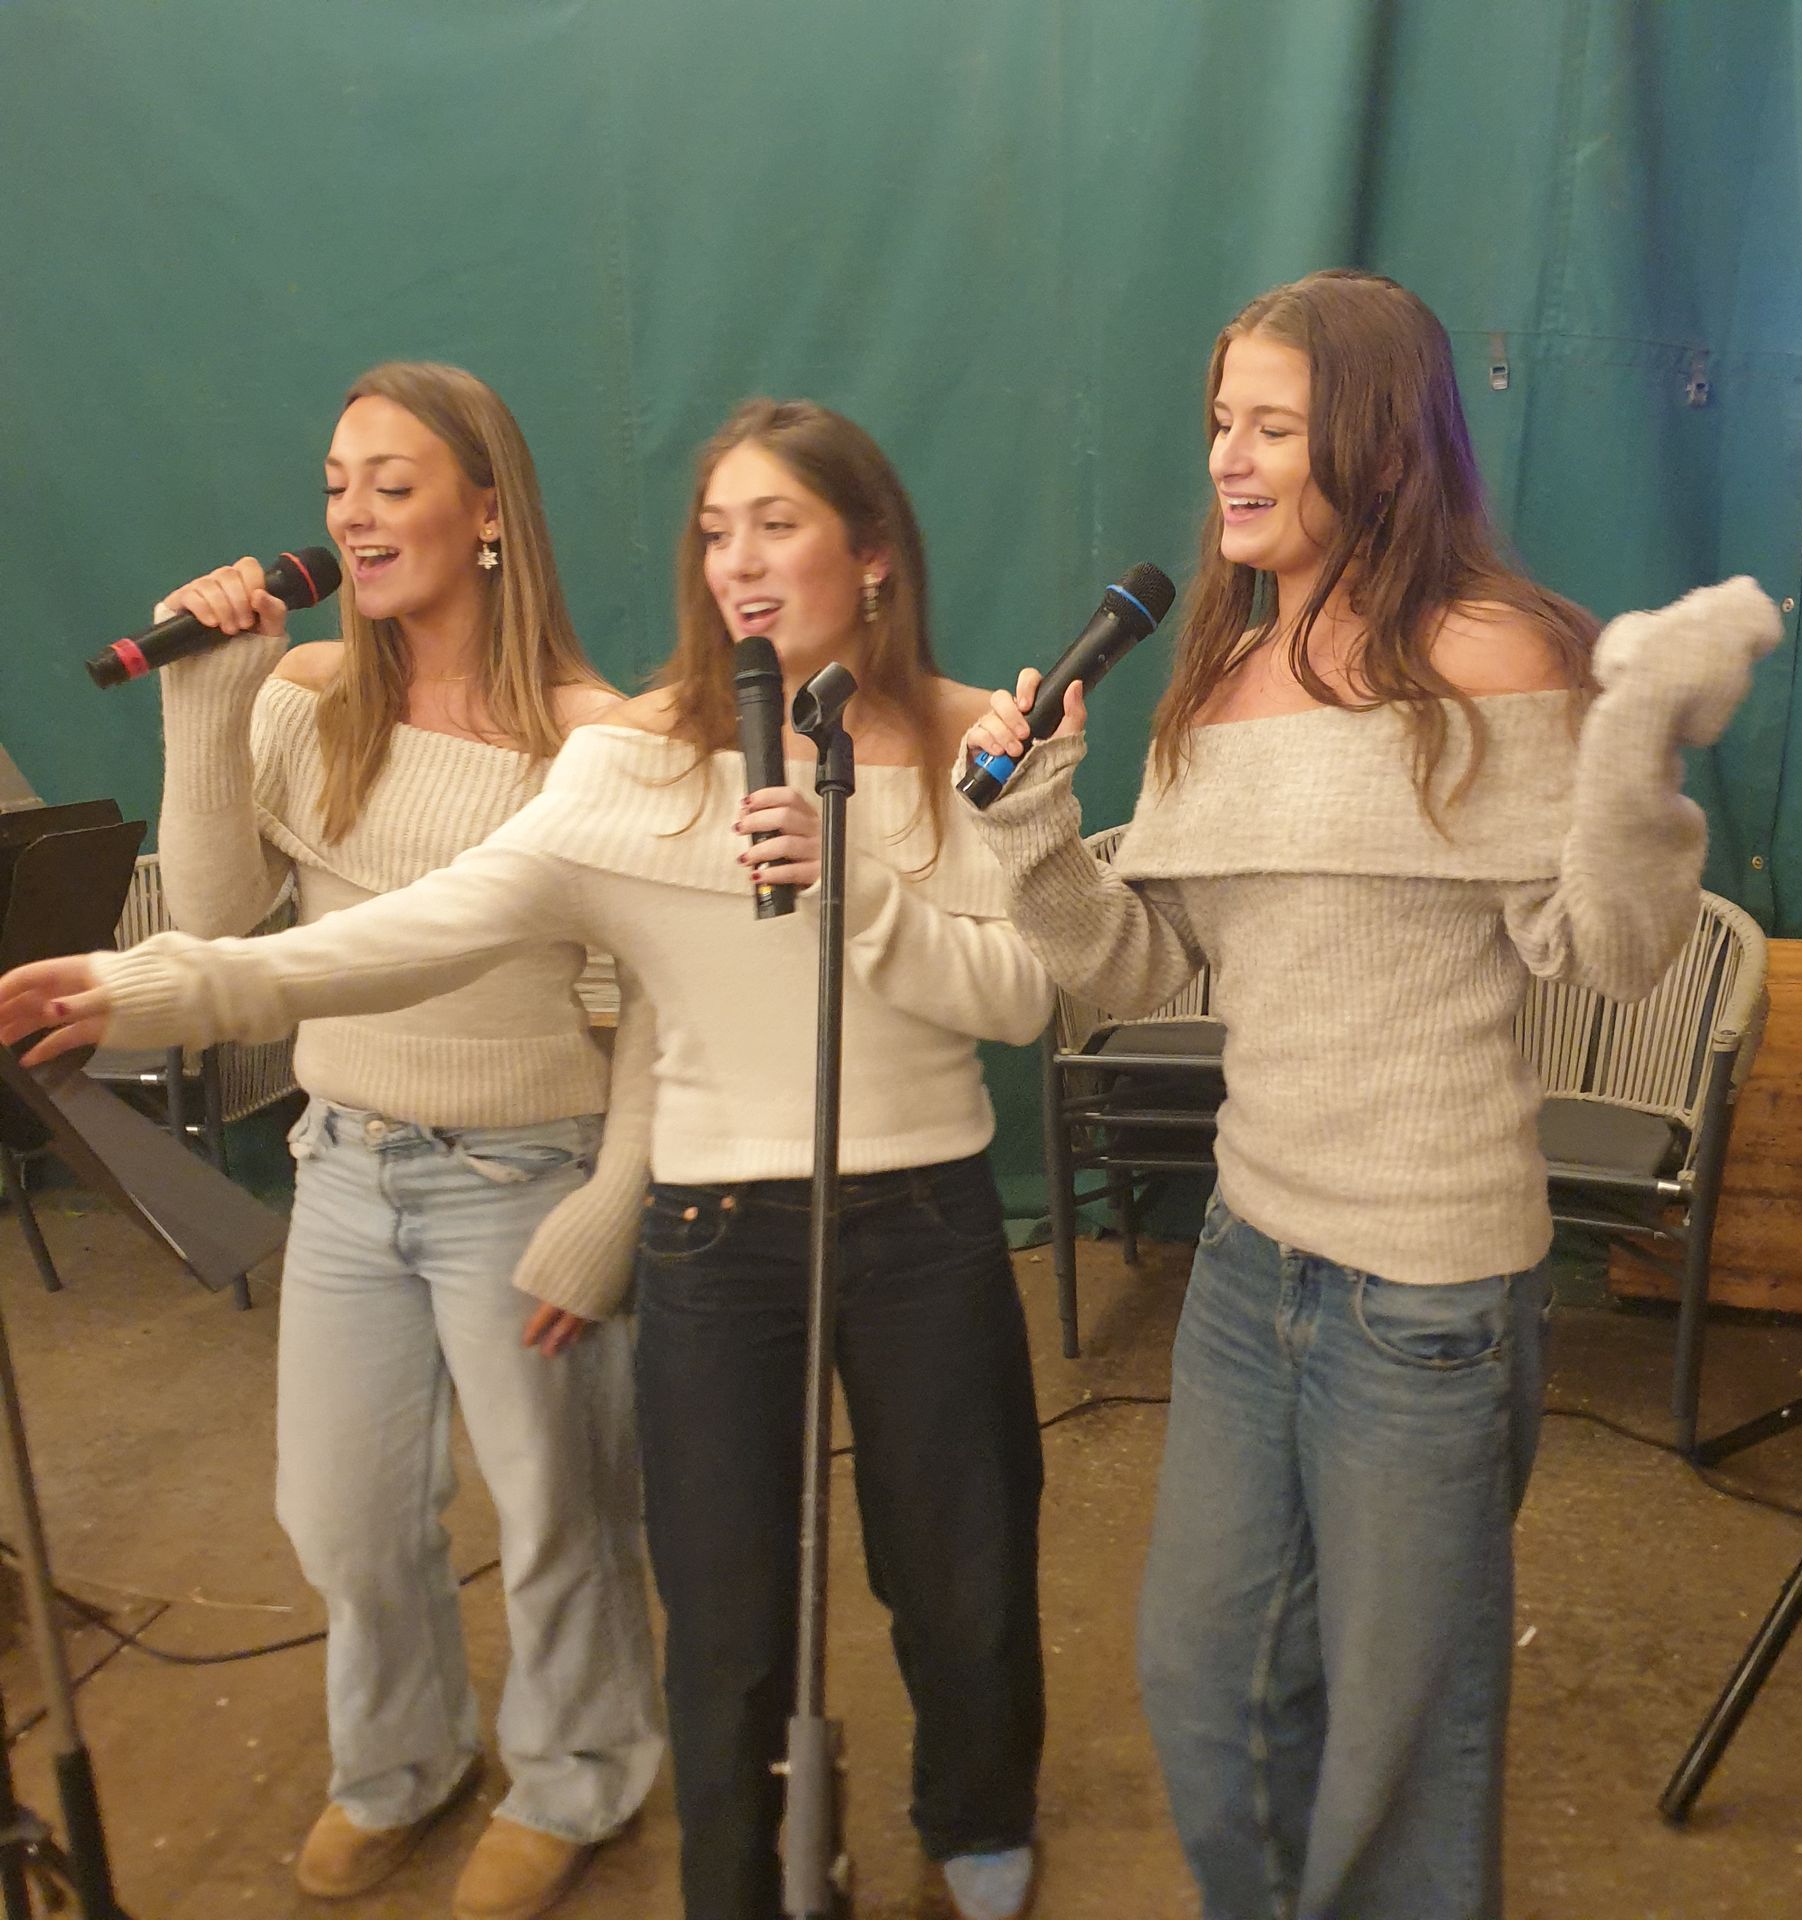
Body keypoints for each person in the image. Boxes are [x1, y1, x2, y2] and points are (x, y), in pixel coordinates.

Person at [3, 399, 1053, 1920]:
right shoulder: (631, 766)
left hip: (926, 1213)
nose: (738, 564)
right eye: (713, 533)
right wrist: (140, 987)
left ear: (872, 551)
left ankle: (973, 1812)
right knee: (726, 1616)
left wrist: (860, 893)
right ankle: (739, 1875)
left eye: (778, 526)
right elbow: (391, 939)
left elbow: (1024, 996)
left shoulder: (974, 737)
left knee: (955, 1574)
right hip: (710, 1223)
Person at [958, 270, 1782, 1920]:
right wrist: (1033, 829)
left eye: (1272, 425)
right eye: (1218, 425)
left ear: (1382, 442)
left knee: (1405, 1747)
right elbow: (1136, 970)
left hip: (1430, 1293)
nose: (1228, 460)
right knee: (1207, 1683)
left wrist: (1637, 752)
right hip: (1252, 1264)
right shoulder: (1216, 682)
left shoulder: (1496, 655)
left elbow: (1613, 953)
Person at [121, 361, 665, 1920]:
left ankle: (578, 1776)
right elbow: (217, 930)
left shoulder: (594, 740)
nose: (352, 514)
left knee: (560, 1510)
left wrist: (610, 1207)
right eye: (336, 486)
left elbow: (654, 1012)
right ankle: (404, 1763)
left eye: (393, 482)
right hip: (345, 1164)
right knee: (342, 1519)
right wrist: (206, 698)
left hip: (525, 1174)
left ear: (487, 512)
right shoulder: (304, 702)